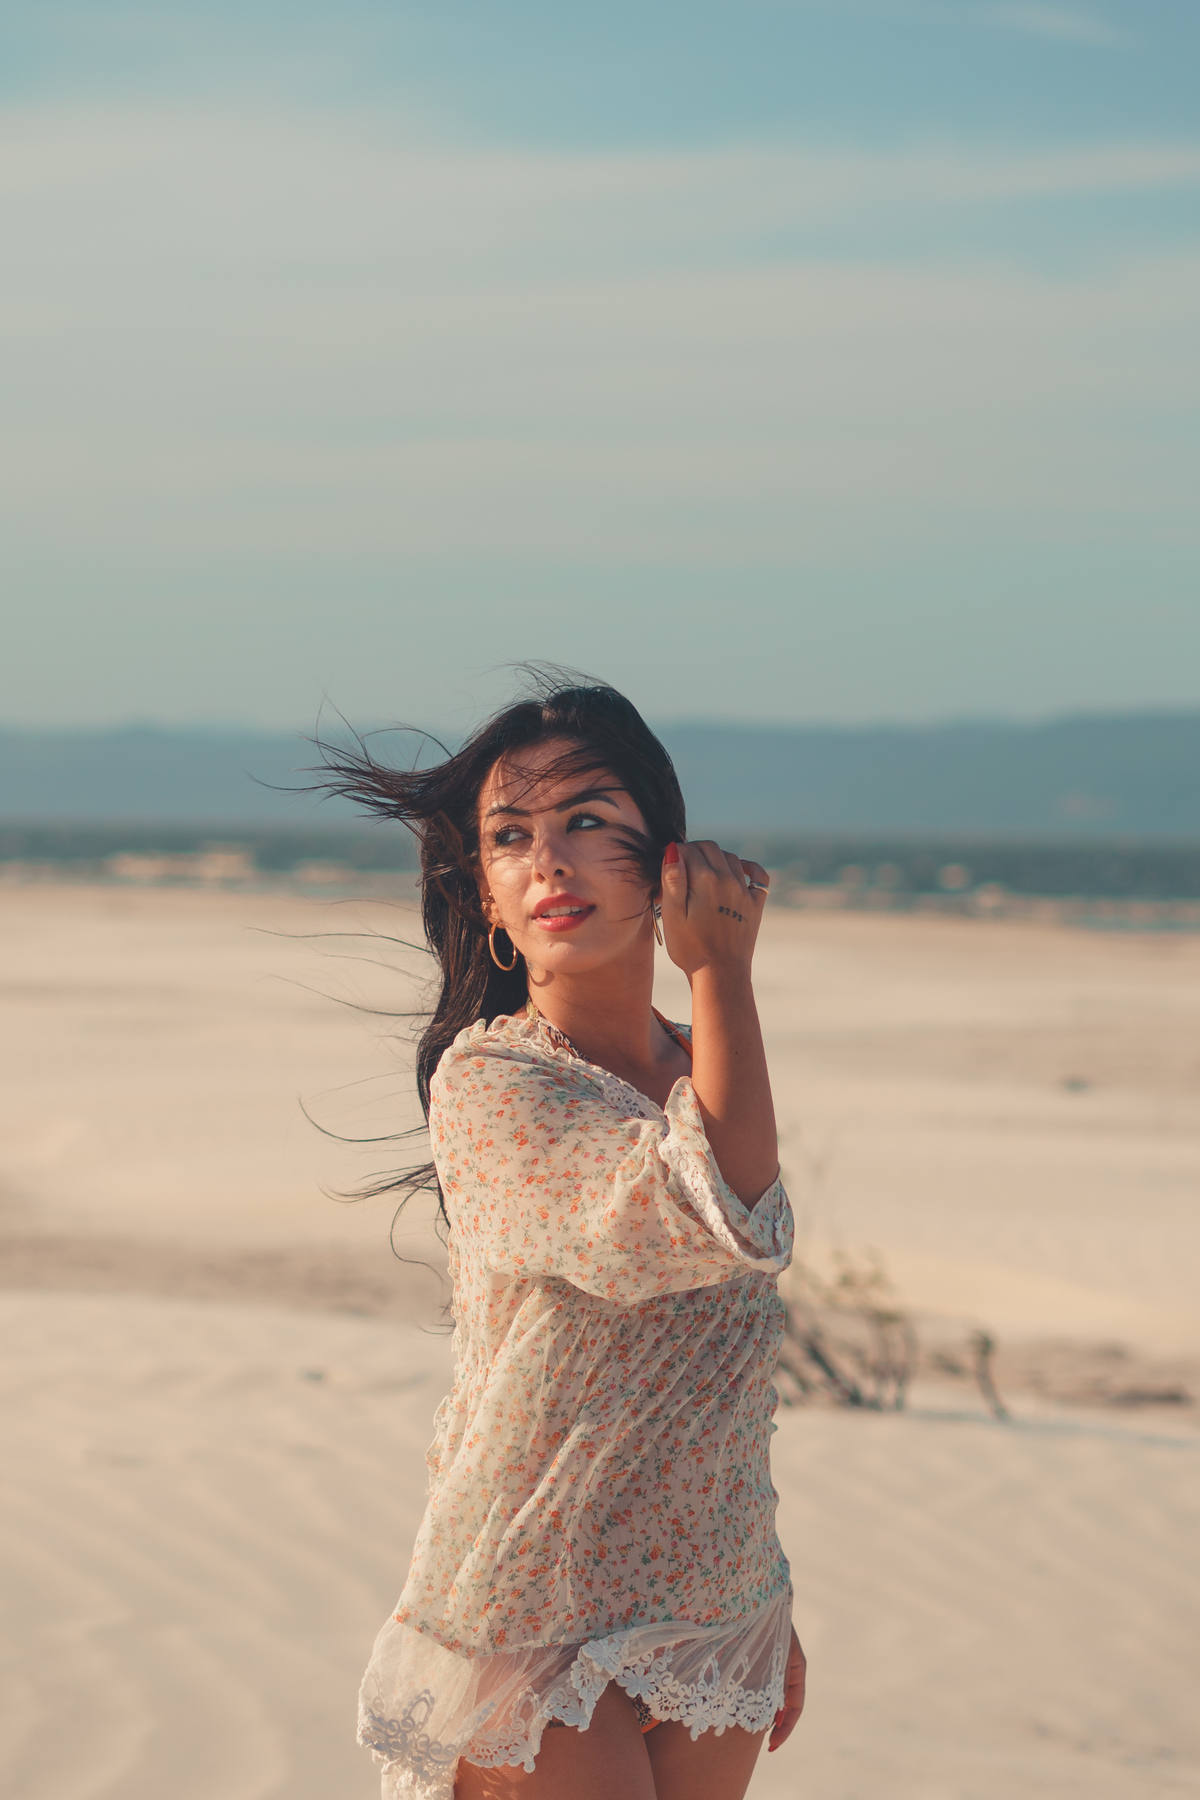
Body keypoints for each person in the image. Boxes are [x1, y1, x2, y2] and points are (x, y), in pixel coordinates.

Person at [318, 675, 806, 1800]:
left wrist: (771, 1594)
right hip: (529, 1614)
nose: (550, 861)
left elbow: (726, 1358)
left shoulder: (705, 1065)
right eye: (510, 836)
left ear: (667, 862)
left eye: (588, 820)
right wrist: (723, 967)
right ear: (485, 895)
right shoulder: (491, 1085)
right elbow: (710, 1213)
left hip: (711, 1609)